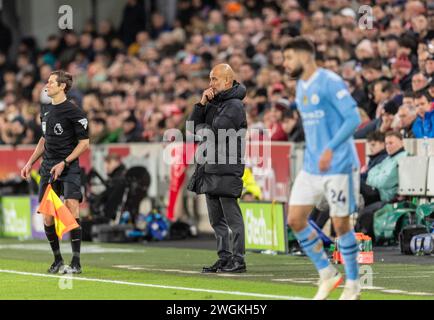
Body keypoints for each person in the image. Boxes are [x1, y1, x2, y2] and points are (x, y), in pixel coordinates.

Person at [283, 37, 362, 300]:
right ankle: (328, 274)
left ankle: (353, 284)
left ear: (305, 57)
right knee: (295, 219)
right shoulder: (300, 86)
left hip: (338, 164)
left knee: (340, 225)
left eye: (289, 57)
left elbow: (353, 118)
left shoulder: (330, 81)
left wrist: (330, 148)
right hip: (312, 166)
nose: (285, 63)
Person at [21, 70, 89, 274]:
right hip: (47, 168)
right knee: (48, 217)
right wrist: (30, 162)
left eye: (51, 82)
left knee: (71, 206)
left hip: (68, 168)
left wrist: (65, 162)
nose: (46, 85)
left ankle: (76, 261)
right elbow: (44, 139)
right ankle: (57, 259)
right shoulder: (46, 110)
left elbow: (84, 143)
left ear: (62, 87)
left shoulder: (75, 112)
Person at [187, 63, 248, 273]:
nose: (210, 83)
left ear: (227, 82)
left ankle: (238, 260)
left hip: (227, 166)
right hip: (210, 166)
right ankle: (224, 257)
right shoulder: (217, 103)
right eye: (210, 79)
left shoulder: (234, 105)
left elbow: (216, 131)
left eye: (215, 79)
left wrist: (205, 120)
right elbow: (191, 129)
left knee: (232, 217)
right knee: (216, 219)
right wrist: (202, 104)